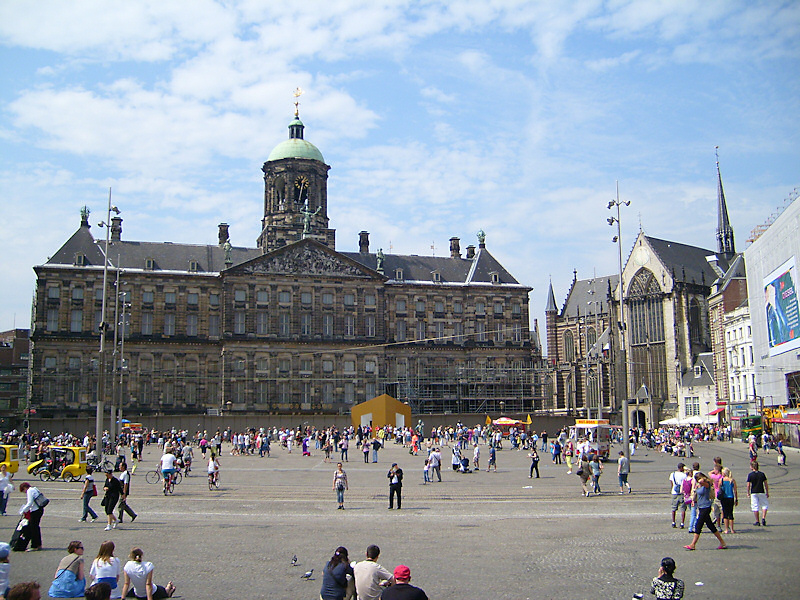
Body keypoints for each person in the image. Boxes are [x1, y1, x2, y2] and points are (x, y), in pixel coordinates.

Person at [684, 472, 726, 550]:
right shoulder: (699, 485)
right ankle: (722, 542)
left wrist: (702, 480)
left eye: (698, 478)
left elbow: (704, 482)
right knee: (711, 526)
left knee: (698, 525)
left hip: (705, 507)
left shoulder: (706, 484)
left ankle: (693, 544)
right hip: (701, 507)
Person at [17, 482, 44, 551]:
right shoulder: (35, 489)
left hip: (35, 511)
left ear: (25, 488)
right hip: (40, 509)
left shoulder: (29, 491)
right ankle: (39, 544)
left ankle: (34, 546)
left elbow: (29, 503)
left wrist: (23, 510)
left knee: (33, 529)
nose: (25, 492)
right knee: (36, 528)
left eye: (23, 491)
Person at [746, 460, 769, 526]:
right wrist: (767, 492)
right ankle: (763, 518)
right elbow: (766, 484)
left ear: (752, 467)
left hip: (754, 492)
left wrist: (748, 492)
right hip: (761, 491)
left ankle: (757, 521)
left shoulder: (750, 475)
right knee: (764, 505)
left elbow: (748, 485)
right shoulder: (762, 474)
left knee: (755, 506)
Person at [719, 467, 738, 534]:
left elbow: (719, 489)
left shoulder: (721, 480)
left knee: (725, 513)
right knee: (730, 513)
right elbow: (735, 490)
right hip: (731, 497)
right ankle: (732, 529)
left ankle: (726, 529)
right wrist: (736, 499)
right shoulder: (732, 480)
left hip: (724, 497)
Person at [669, 463, 687, 529]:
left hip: (674, 492)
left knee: (674, 508)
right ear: (682, 468)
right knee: (683, 509)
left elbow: (671, 483)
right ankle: (682, 523)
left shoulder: (672, 474)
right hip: (682, 493)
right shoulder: (684, 475)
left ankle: (673, 522)